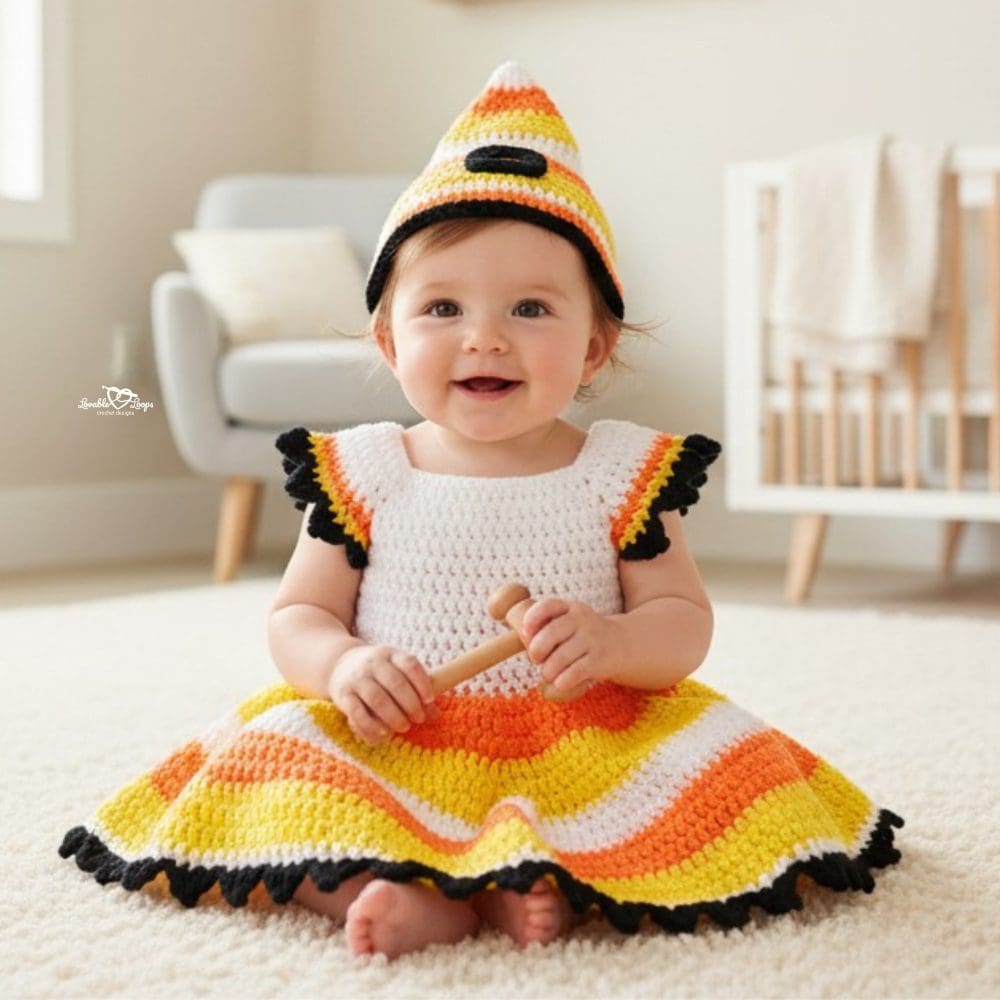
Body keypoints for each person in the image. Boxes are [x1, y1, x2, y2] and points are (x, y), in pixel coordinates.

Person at [59, 61, 903, 961]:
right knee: (284, 781)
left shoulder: (620, 473)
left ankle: (521, 882)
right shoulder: (364, 472)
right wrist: (343, 665)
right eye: (442, 307)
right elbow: (298, 614)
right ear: (390, 341)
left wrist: (615, 641)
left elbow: (682, 621)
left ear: (594, 347)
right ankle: (411, 894)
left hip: (581, 737)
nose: (485, 337)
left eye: (530, 308)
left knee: (694, 797)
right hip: (400, 731)